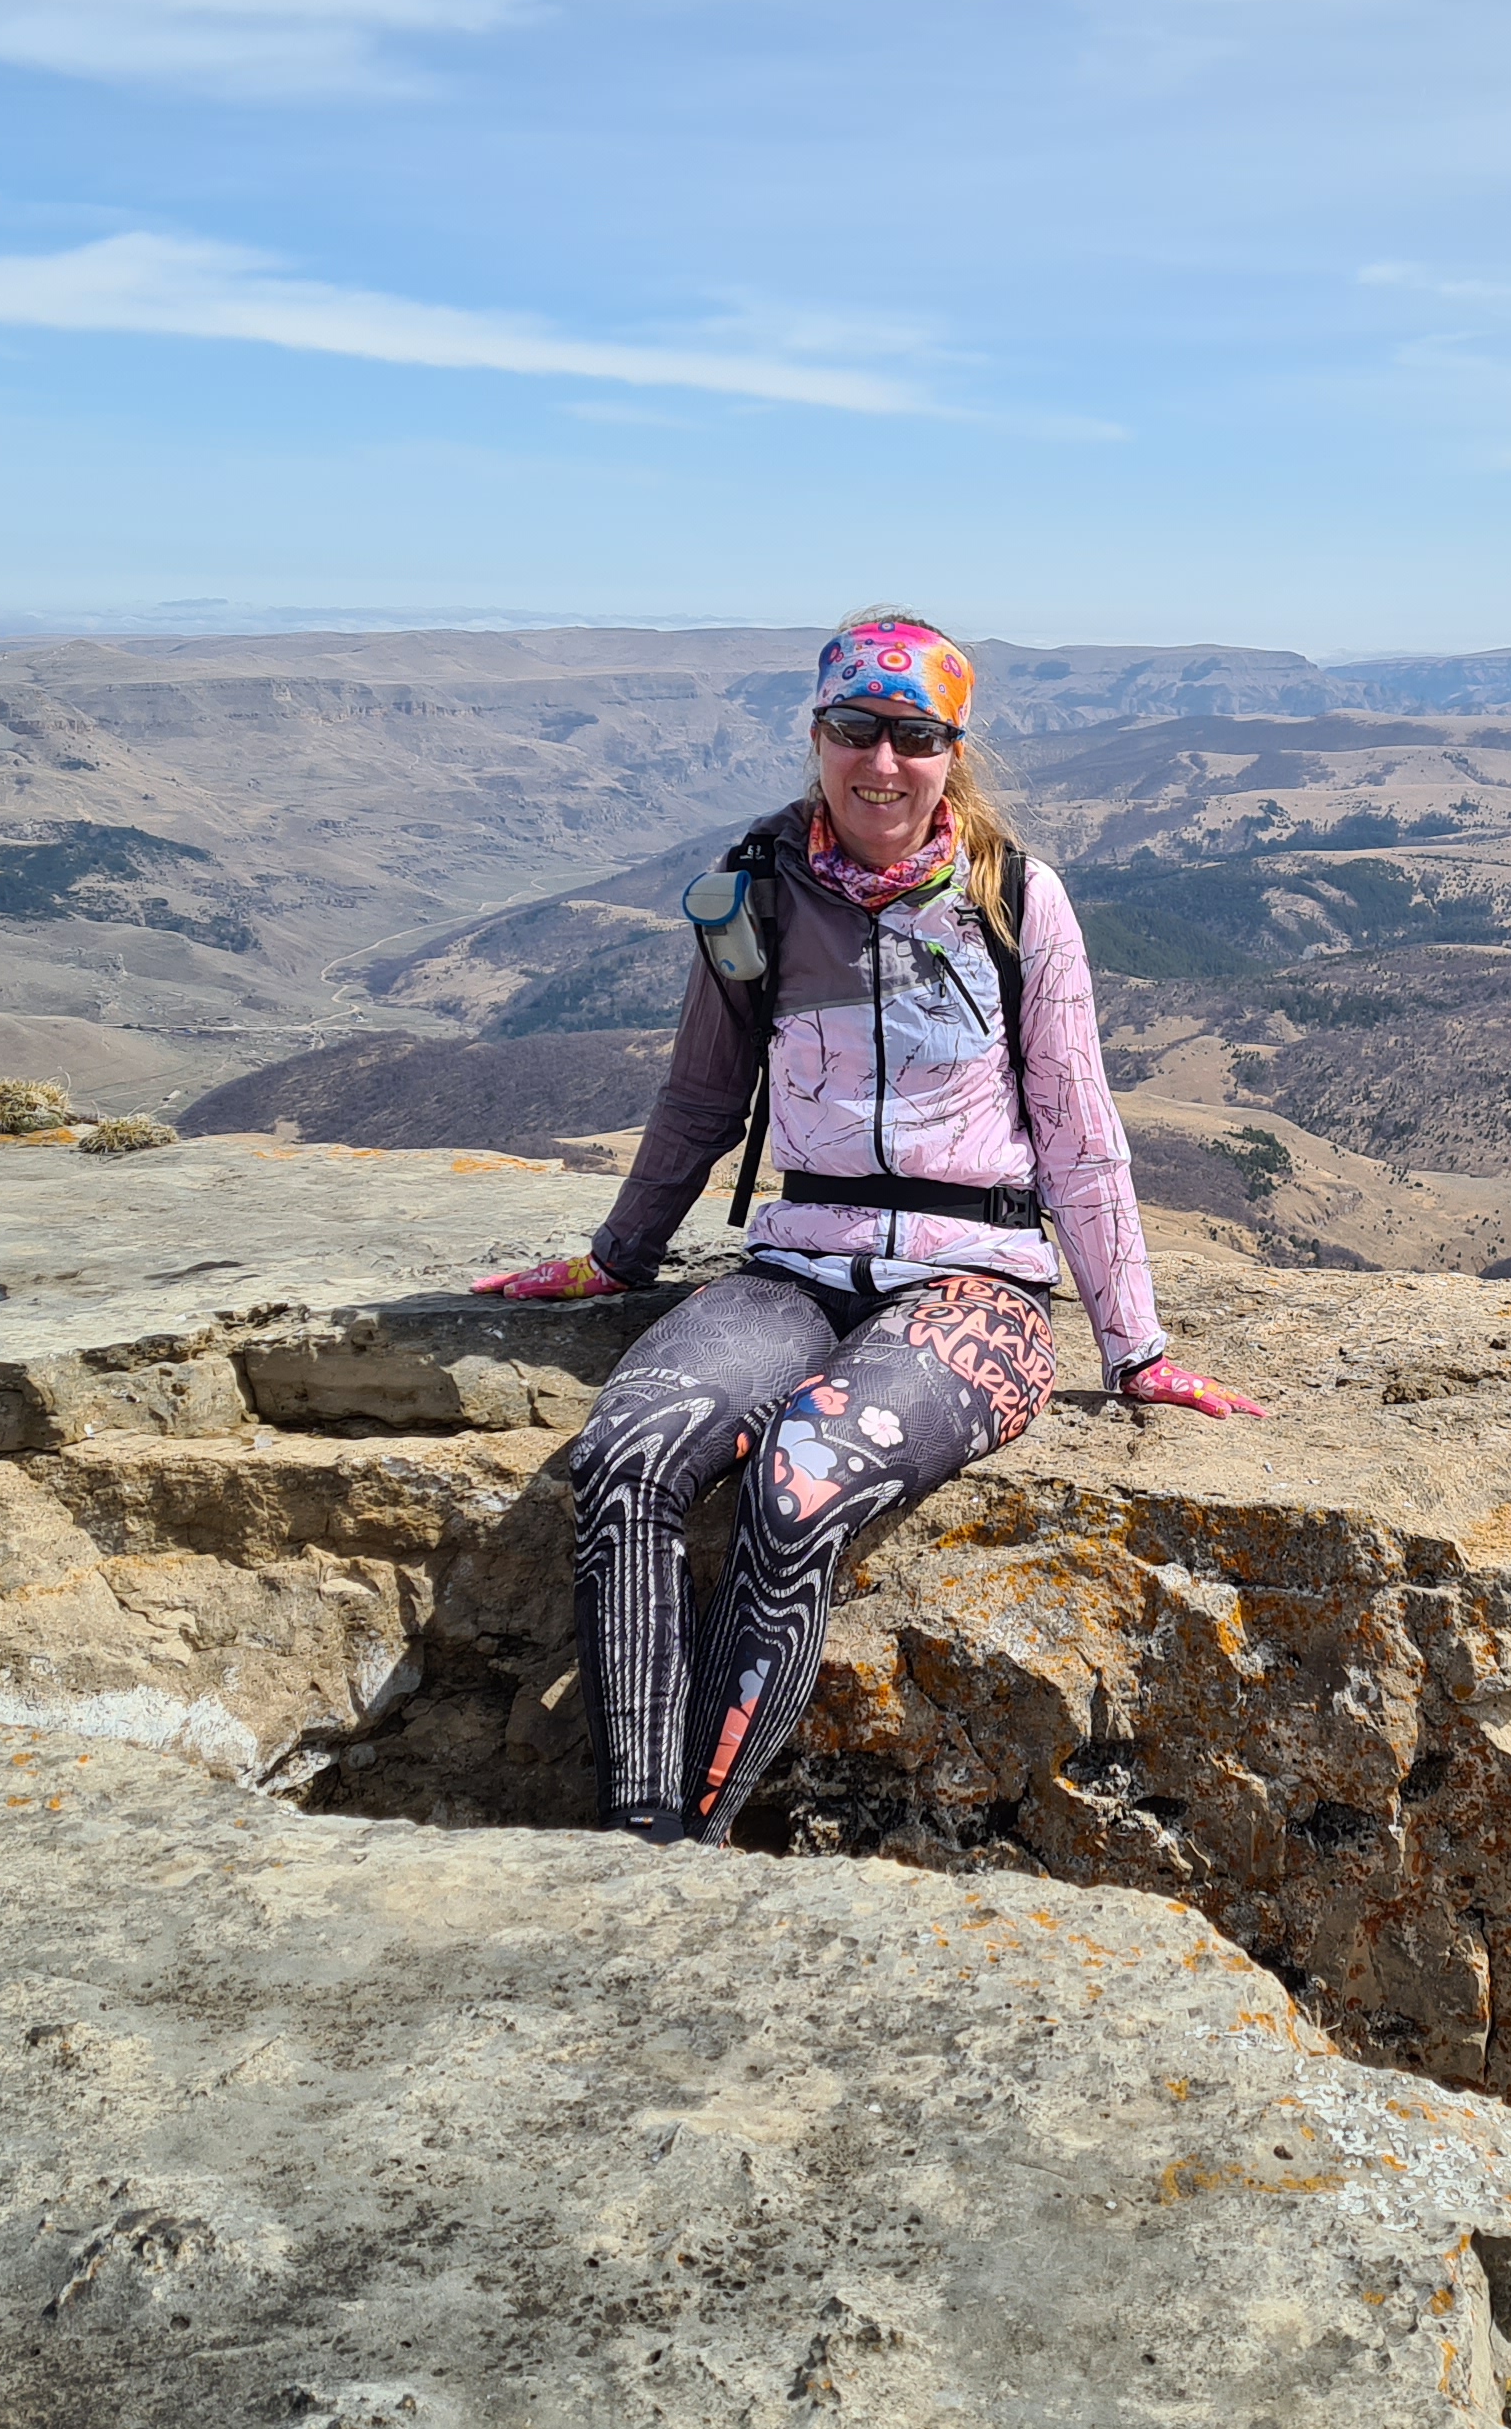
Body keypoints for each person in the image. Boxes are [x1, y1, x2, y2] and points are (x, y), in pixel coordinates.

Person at [471, 610, 1263, 1847]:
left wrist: (1137, 1347)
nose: (881, 762)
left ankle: (692, 1841)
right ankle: (638, 1841)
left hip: (979, 1284)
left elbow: (1077, 1125)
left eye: (913, 736)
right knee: (627, 1456)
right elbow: (700, 1095)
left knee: (801, 1480)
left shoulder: (1016, 897)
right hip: (795, 1264)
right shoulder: (757, 890)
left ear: (952, 753)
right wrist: (617, 1257)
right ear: (817, 735)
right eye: (855, 729)